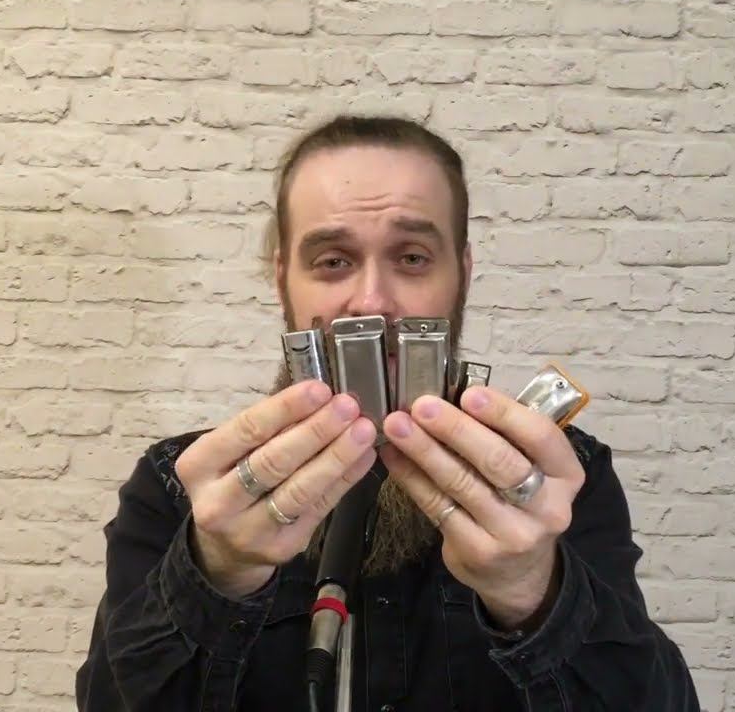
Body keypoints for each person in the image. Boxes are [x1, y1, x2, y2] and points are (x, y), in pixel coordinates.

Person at [74, 115, 700, 711]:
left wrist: (533, 591)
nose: (372, 301)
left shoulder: (560, 478)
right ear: (282, 277)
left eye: (412, 258)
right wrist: (215, 574)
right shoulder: (178, 485)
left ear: (463, 274)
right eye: (333, 261)